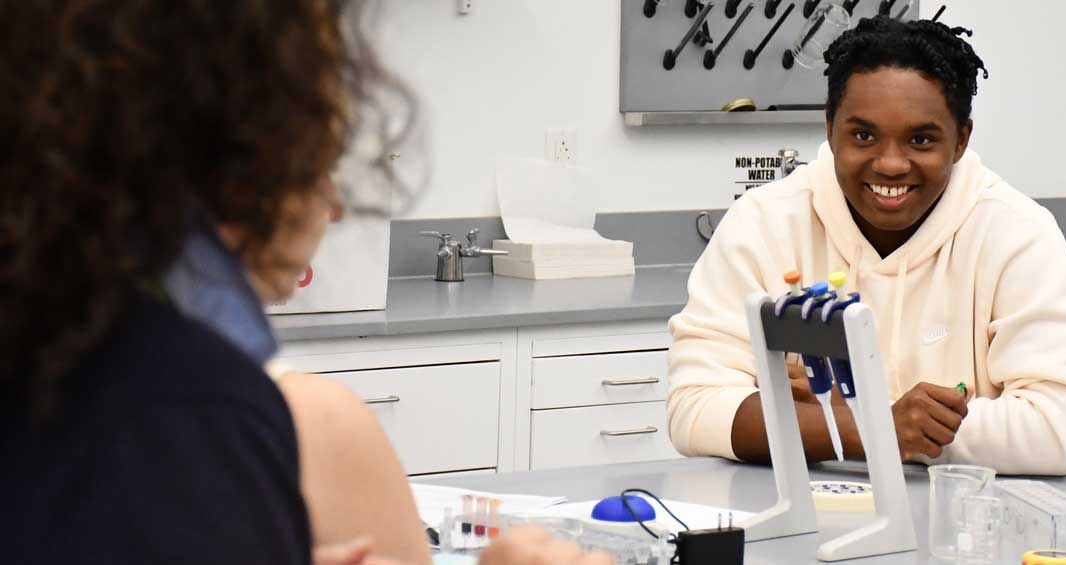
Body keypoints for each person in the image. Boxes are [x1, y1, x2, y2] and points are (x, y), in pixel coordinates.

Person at [0, 2, 609, 564]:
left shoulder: (51, 348)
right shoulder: (206, 407)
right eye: (319, 161)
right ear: (243, 161)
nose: (336, 206)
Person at [666, 15, 1066, 476]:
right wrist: (876, 428)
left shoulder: (1017, 233)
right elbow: (695, 409)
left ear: (961, 140)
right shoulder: (764, 222)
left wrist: (818, 420)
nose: (891, 164)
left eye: (921, 139)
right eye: (863, 136)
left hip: (961, 529)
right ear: (829, 129)